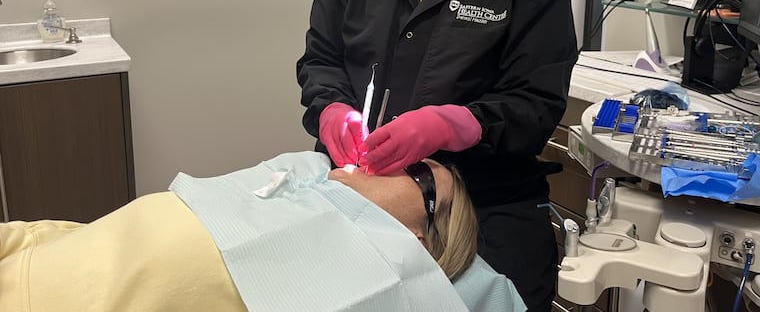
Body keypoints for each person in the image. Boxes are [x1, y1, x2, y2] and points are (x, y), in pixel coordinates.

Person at [296, 0, 578, 310]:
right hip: (365, 183)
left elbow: (536, 106)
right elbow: (320, 62)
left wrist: (455, 125)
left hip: (485, 197)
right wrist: (331, 111)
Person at [0, 151, 525, 311]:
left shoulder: (359, 281)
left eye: (416, 173)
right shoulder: (292, 181)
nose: (395, 159)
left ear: (417, 239)